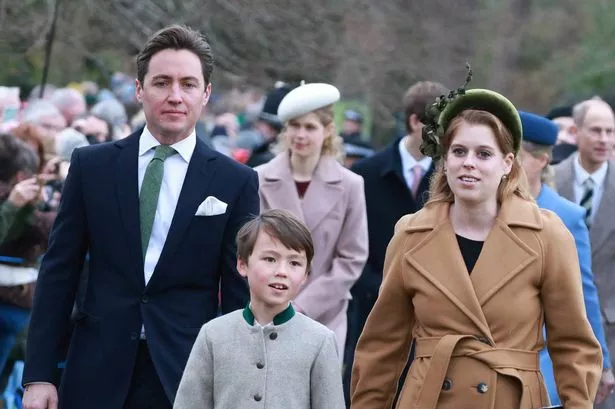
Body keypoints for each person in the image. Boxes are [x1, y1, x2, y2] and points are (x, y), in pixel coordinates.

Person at [22, 24, 259, 409]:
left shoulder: (236, 181)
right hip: (94, 370)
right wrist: (38, 374)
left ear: (206, 94)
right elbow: (58, 271)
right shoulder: (91, 166)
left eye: (188, 84)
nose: (175, 96)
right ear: (139, 89)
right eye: (162, 82)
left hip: (185, 375)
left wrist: (232, 388)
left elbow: (238, 295)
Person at [350, 67, 602, 409]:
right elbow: (381, 346)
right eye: (459, 152)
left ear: (507, 163)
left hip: (510, 398)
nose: (469, 163)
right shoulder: (412, 233)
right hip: (428, 397)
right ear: (444, 159)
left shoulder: (546, 234)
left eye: (484, 154)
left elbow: (574, 345)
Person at [174, 209, 345, 409]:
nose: (282, 272)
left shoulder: (320, 340)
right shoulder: (212, 335)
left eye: (294, 263)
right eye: (270, 259)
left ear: (306, 274)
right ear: (242, 264)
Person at [255, 82, 368, 362]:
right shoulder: (258, 178)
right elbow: (247, 249)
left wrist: (303, 305)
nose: (300, 135)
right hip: (265, 315)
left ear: (328, 130)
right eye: (294, 126)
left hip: (323, 317)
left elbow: (352, 257)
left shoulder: (350, 185)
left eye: (310, 127)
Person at [518, 110, 615, 406]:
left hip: (548, 358)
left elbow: (585, 295)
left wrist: (603, 363)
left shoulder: (565, 215)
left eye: (516, 156)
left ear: (541, 160)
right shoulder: (489, 210)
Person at [553, 98, 615, 409]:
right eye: (596, 131)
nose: (604, 139)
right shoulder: (549, 181)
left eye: (610, 132)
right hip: (552, 326)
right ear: (575, 132)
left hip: (611, 327)